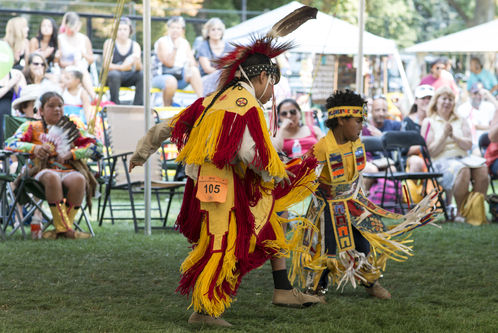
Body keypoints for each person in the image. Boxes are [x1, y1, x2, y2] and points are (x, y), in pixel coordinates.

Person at [129, 35, 322, 326]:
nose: (272, 93)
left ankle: (283, 288)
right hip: (225, 186)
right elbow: (249, 153)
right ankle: (203, 312)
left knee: (271, 221)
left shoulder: (211, 100)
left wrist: (141, 153)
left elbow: (166, 127)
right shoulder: (247, 106)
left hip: (212, 182)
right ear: (261, 77)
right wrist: (277, 172)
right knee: (222, 242)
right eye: (273, 84)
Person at [290, 89, 439, 300]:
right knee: (326, 248)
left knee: (364, 244)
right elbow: (304, 177)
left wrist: (361, 197)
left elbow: (356, 174)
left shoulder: (356, 143)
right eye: (358, 120)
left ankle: (370, 282)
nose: (362, 125)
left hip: (353, 203)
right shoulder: (322, 148)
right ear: (341, 119)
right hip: (327, 208)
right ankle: (315, 289)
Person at [5, 91, 102, 239]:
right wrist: (34, 148)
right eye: (51, 106)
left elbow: (97, 147)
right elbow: (9, 143)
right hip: (40, 172)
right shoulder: (31, 126)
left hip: (68, 170)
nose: (57, 109)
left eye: (60, 106)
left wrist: (73, 154)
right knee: (52, 177)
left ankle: (62, 229)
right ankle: (67, 230)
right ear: (41, 111)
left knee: (79, 179)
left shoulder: (72, 128)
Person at [421, 86, 489, 223]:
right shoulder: (429, 121)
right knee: (462, 170)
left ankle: (474, 210)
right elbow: (430, 151)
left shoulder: (461, 119)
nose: (447, 102)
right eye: (444, 98)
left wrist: (454, 136)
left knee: (483, 170)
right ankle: (459, 212)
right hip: (441, 160)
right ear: (436, 101)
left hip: (463, 157)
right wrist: (444, 135)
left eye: (451, 99)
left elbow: (469, 144)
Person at [152, 16, 203, 106]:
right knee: (171, 81)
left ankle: (202, 103)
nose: (175, 30)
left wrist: (191, 64)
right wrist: (175, 47)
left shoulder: (185, 43)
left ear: (182, 30)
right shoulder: (162, 41)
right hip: (161, 77)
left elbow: (193, 64)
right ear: (168, 29)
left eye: (178, 28)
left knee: (194, 71)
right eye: (173, 27)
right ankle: (167, 107)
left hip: (180, 77)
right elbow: (169, 63)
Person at [102, 17, 143, 105]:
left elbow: (139, 68)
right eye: (119, 29)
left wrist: (137, 62)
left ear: (129, 31)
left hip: (128, 75)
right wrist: (122, 67)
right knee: (114, 75)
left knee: (142, 75)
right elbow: (106, 65)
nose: (122, 32)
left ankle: (138, 106)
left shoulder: (135, 45)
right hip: (112, 76)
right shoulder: (110, 43)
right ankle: (115, 105)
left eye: (125, 29)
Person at [57, 12, 95, 100]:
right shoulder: (60, 39)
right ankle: (93, 97)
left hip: (81, 69)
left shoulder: (84, 38)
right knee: (75, 74)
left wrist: (84, 55)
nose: (74, 30)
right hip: (66, 69)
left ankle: (93, 97)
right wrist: (71, 63)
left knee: (83, 72)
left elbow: (91, 59)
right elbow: (59, 62)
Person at [195, 18, 232, 96]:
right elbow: (207, 69)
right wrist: (223, 71)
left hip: (224, 78)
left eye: (219, 29)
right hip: (206, 79)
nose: (216, 32)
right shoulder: (203, 46)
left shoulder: (228, 47)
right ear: (208, 32)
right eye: (213, 29)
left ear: (222, 32)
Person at [457, 84, 497, 152]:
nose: (478, 96)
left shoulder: (489, 106)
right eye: (475, 93)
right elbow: (474, 126)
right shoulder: (463, 108)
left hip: (489, 141)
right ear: (470, 94)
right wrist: (490, 127)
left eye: (480, 93)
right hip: (472, 143)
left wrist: (490, 97)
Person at [0, 68, 26, 147]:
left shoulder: (16, 74)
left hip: (10, 120)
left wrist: (16, 85)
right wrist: (10, 84)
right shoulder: (13, 79)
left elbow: (23, 97)